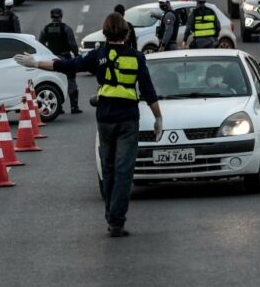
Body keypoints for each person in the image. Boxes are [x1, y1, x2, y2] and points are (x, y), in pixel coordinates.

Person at [13, 13, 162, 237]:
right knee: (124, 171)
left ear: (105, 33)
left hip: (105, 118)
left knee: (108, 169)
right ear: (127, 33)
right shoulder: (137, 57)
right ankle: (116, 221)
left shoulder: (98, 55)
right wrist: (158, 118)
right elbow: (149, 92)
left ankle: (111, 216)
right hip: (128, 120)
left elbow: (68, 65)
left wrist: (36, 63)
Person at [39, 8, 81, 114]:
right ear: (61, 16)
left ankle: (58, 107)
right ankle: (74, 106)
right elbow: (72, 44)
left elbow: (40, 44)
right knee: (71, 81)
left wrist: (47, 55)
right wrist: (77, 55)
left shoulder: (45, 29)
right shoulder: (66, 28)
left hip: (52, 60)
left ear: (51, 16)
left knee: (54, 82)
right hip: (65, 58)